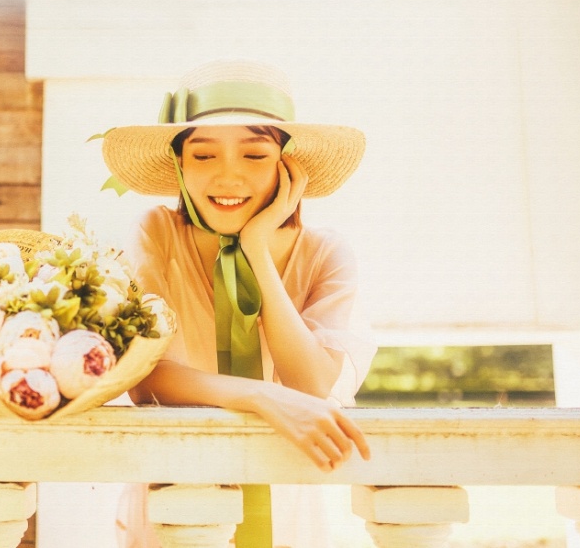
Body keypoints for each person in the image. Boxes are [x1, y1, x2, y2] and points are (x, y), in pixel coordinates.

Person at [100, 60, 377, 548]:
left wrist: (256, 249)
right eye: (204, 156)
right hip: (174, 494)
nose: (228, 177)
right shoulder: (157, 233)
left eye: (254, 154)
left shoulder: (326, 253)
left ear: (286, 165)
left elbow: (311, 384)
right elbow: (145, 377)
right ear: (180, 165)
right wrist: (260, 397)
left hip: (283, 491)